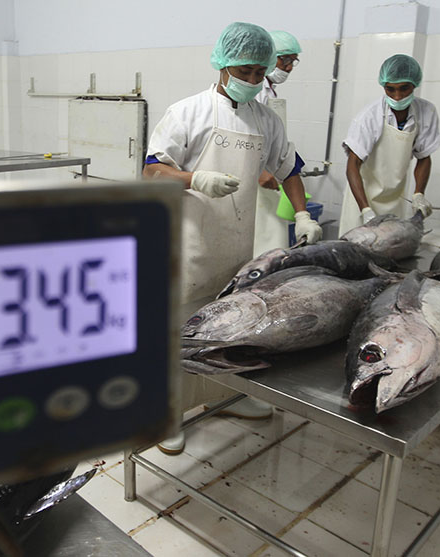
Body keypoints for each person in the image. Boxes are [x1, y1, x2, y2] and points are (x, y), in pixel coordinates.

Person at [144, 22, 322, 454]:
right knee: (178, 332)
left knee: (228, 330)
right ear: (223, 65)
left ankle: (226, 398)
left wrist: (301, 213)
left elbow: (289, 169)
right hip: (188, 247)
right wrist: (195, 178)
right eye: (244, 72)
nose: (252, 81)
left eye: (259, 74)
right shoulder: (186, 112)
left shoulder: (265, 119)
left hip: (235, 245)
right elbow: (152, 169)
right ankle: (166, 416)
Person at [339, 54, 440, 236]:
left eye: (404, 88)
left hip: (394, 197)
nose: (397, 96)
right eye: (390, 89)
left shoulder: (426, 111)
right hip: (363, 198)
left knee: (392, 251)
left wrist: (419, 194)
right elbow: (352, 165)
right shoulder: (369, 117)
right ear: (383, 86)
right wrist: (366, 211)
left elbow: (424, 156)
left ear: (414, 85)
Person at [254, 30, 303, 255]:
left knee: (271, 245)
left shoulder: (270, 91)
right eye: (286, 59)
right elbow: (245, 139)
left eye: (293, 61)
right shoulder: (255, 92)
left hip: (270, 177)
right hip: (255, 181)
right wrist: (260, 171)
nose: (290, 67)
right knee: (260, 245)